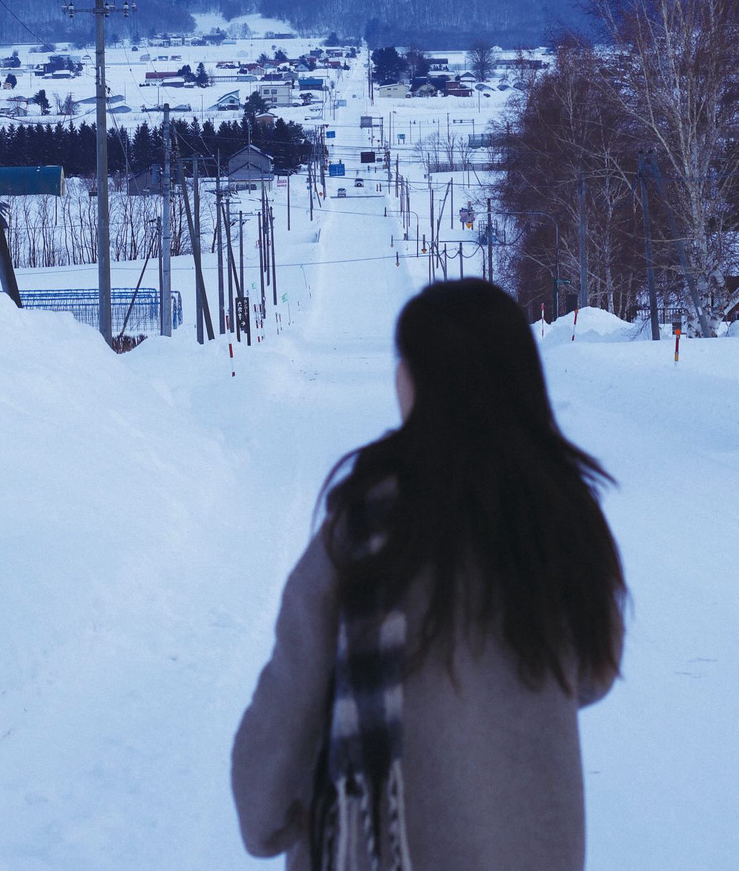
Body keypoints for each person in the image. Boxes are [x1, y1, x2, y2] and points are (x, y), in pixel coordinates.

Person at [232, 279, 626, 871]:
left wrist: (267, 818)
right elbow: (594, 672)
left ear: (418, 381)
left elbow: (288, 701)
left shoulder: (363, 532)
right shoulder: (562, 518)